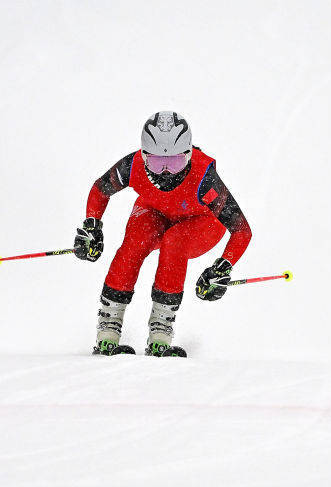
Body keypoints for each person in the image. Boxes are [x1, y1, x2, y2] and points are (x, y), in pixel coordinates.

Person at [73, 111, 252, 357]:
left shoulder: (204, 178)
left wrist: (222, 267)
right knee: (135, 242)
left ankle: (160, 333)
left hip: (201, 221)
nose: (166, 172)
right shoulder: (133, 164)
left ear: (189, 154)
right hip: (155, 209)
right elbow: (100, 189)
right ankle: (108, 331)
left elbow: (241, 230)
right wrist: (92, 225)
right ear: (144, 155)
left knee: (174, 242)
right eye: (157, 163)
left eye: (175, 162)